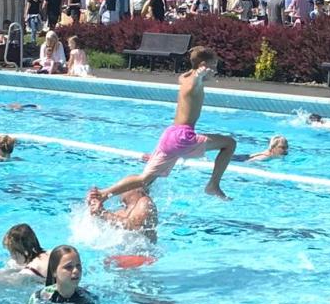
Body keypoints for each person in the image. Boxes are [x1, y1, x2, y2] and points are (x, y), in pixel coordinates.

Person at [90, 46, 236, 201]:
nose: (215, 70)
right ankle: (213, 185)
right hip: (183, 138)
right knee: (229, 144)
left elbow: (183, 76)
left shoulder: (185, 79)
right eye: (213, 66)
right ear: (203, 66)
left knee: (145, 179)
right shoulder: (195, 81)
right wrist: (201, 73)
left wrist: (198, 71)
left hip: (170, 135)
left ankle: (105, 194)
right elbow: (197, 77)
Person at [29, 245, 94, 304]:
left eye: (78, 266)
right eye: (69, 267)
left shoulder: (88, 298)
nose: (76, 271)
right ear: (54, 272)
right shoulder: (40, 299)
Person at [87, 187, 158, 242]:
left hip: (140, 256)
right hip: (122, 255)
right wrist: (94, 206)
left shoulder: (144, 201)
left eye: (125, 186)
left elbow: (134, 226)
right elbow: (100, 230)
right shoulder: (120, 212)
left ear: (138, 190)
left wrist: (102, 212)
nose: (120, 190)